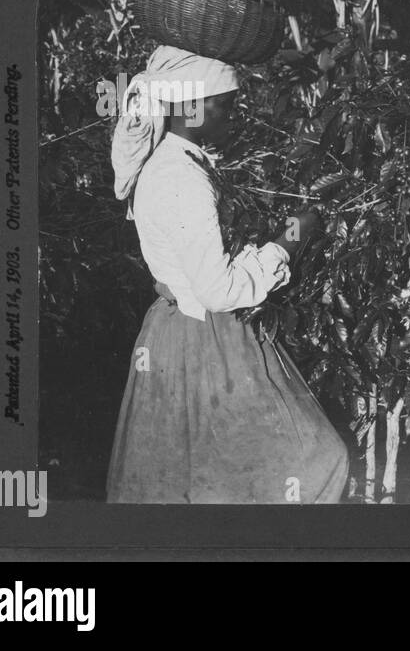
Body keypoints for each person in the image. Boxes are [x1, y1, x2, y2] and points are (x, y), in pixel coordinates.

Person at [105, 45, 349, 504]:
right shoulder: (181, 176)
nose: (232, 114)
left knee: (192, 476)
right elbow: (218, 288)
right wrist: (292, 237)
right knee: (315, 459)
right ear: (193, 104)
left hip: (179, 331)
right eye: (227, 103)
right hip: (207, 337)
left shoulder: (179, 162)